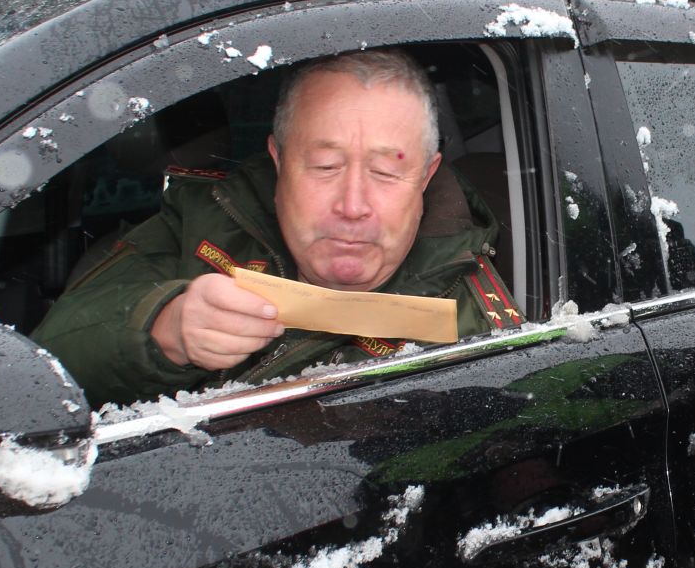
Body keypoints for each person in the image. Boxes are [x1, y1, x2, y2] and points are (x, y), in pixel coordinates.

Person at [33, 48, 518, 407]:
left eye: (386, 172)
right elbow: (39, 370)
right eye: (325, 166)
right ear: (279, 161)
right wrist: (163, 330)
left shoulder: (480, 329)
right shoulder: (206, 220)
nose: (353, 206)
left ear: (426, 177)